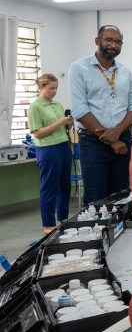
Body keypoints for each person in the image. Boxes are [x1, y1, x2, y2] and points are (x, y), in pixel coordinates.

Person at [69, 25, 132, 205]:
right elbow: (80, 110)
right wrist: (112, 139)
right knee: (96, 200)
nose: (113, 45)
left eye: (118, 42)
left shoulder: (126, 72)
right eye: (109, 40)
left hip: (123, 142)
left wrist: (117, 134)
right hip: (93, 143)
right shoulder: (79, 68)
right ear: (97, 41)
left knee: (122, 198)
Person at [28, 73, 73, 234]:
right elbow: (37, 133)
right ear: (41, 87)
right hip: (48, 149)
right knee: (49, 187)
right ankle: (48, 224)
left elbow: (61, 127)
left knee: (64, 186)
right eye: (51, 88)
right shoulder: (35, 107)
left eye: (56, 88)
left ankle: (63, 218)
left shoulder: (57, 105)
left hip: (63, 146)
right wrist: (59, 122)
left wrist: (67, 123)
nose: (54, 91)